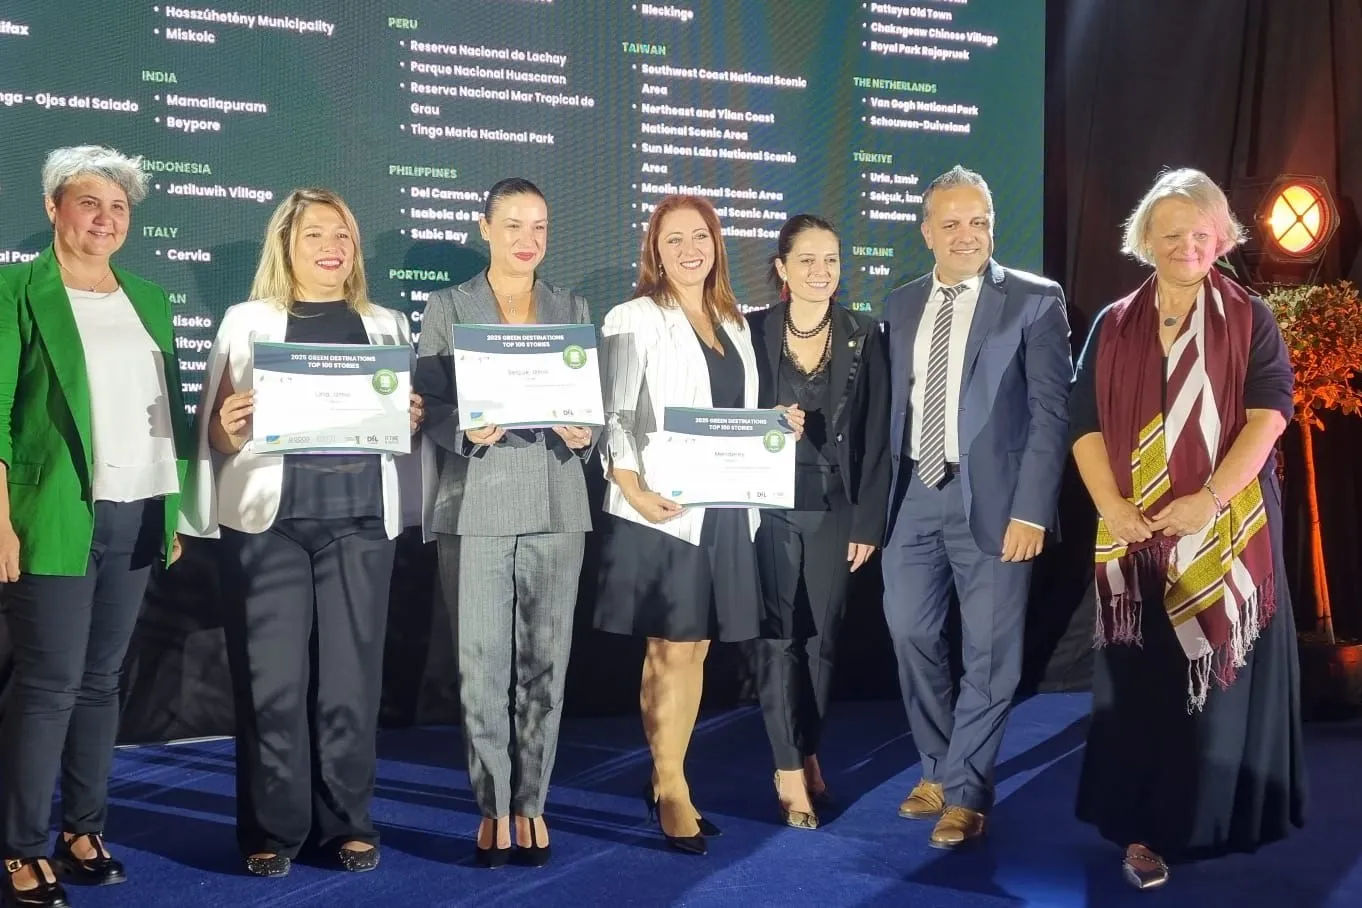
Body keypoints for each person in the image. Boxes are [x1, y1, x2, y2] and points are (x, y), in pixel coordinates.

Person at [1071, 168, 1306, 890]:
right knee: (1144, 686)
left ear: (1222, 238)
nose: (1187, 246)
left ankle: (1213, 818)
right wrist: (1112, 506)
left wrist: (1208, 498)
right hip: (1135, 532)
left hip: (1229, 525)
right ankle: (1145, 830)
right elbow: (1082, 424)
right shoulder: (1113, 322)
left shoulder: (1251, 319)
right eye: (1171, 233)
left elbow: (1269, 416)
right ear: (1146, 238)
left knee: (1218, 681)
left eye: (1201, 233)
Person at [181, 188, 424, 878]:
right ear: (286, 245)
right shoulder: (247, 321)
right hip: (269, 526)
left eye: (343, 235)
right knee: (271, 683)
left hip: (360, 524)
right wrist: (226, 430)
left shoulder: (386, 325)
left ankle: (348, 823)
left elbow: (401, 433)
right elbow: (215, 433)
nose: (331, 247)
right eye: (316, 234)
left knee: (351, 684)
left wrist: (408, 421)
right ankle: (272, 829)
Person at [0, 145, 191, 908]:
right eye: (89, 203)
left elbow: (167, 412)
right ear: (54, 209)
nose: (106, 219)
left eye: (118, 208)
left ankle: (82, 830)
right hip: (54, 514)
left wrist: (173, 508)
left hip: (139, 510)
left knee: (101, 681)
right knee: (47, 684)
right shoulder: (16, 289)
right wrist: (1, 520)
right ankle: (19, 847)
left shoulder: (148, 297)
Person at [595, 194, 803, 855]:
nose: (689, 250)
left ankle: (666, 776)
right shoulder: (631, 316)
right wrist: (632, 487)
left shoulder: (732, 321)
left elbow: (731, 415)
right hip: (660, 508)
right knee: (670, 647)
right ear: (654, 251)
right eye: (674, 239)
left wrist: (778, 425)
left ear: (717, 245)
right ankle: (672, 786)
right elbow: (614, 412)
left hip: (724, 510)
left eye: (700, 237)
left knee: (696, 648)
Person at [881, 165, 1071, 848]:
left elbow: (1052, 413)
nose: (968, 235)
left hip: (996, 501)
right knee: (909, 632)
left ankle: (966, 791)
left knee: (990, 653)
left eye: (980, 222)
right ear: (927, 232)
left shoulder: (1035, 300)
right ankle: (937, 766)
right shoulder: (899, 303)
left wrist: (1032, 511)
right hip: (912, 494)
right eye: (953, 223)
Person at [414, 177, 595, 869]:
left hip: (556, 501)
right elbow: (428, 405)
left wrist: (585, 434)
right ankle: (493, 807)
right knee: (481, 666)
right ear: (485, 228)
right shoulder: (447, 306)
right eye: (514, 225)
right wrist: (464, 428)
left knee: (548, 664)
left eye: (539, 226)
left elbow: (592, 408)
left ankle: (533, 804)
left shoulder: (571, 306)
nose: (528, 239)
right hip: (477, 501)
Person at [744, 214, 890, 828]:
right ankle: (785, 767)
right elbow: (725, 413)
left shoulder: (865, 333)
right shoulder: (751, 331)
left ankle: (808, 751)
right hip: (767, 502)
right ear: (782, 267)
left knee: (822, 641)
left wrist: (868, 522)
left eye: (830, 259)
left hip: (836, 507)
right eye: (806, 260)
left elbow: (877, 434)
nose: (820, 271)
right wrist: (766, 421)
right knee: (778, 637)